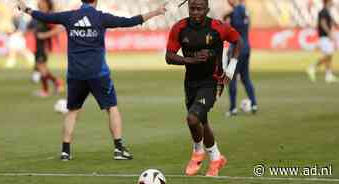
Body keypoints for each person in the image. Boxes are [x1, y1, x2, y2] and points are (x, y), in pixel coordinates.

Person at [16, 0, 166, 161]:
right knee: (112, 108)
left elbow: (44, 17)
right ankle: (118, 149)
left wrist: (26, 9)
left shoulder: (70, 16)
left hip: (75, 74)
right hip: (98, 73)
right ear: (96, 1)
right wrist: (156, 12)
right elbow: (130, 22)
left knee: (72, 111)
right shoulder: (101, 18)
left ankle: (65, 151)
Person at [165, 0, 242, 177]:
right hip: (190, 82)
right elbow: (169, 56)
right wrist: (191, 60)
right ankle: (216, 159)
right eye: (192, 8)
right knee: (202, 122)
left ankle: (197, 152)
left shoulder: (217, 27)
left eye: (200, 9)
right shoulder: (180, 28)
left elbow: (238, 41)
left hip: (212, 81)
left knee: (192, 119)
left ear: (207, 10)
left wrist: (230, 68)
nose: (196, 12)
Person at [224, 0, 257, 116]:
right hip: (246, 47)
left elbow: (233, 29)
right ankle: (254, 104)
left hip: (237, 50)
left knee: (231, 77)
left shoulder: (236, 12)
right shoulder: (243, 9)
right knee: (245, 78)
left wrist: (228, 20)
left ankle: (233, 108)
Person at [28, 0, 64, 97]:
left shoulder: (48, 16)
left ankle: (46, 90)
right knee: (41, 68)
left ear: (47, 4)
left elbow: (59, 28)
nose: (39, 3)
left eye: (42, 2)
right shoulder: (39, 15)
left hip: (43, 46)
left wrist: (44, 35)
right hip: (37, 45)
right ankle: (56, 82)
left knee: (41, 68)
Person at [307, 0, 338, 83]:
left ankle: (328, 75)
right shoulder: (323, 12)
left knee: (329, 56)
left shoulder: (327, 11)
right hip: (324, 37)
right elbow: (322, 23)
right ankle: (312, 67)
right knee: (328, 54)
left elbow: (330, 23)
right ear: (328, 2)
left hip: (326, 36)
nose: (333, 2)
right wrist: (329, 34)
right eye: (331, 1)